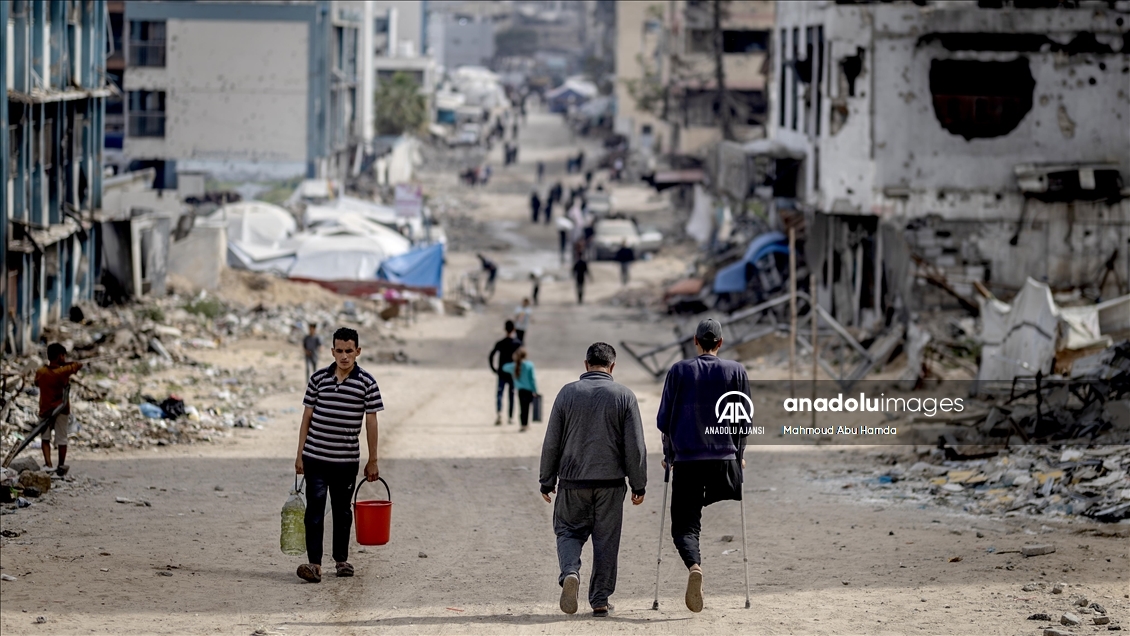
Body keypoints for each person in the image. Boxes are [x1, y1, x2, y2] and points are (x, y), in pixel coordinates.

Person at [539, 342, 647, 617]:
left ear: (586, 365)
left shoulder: (567, 393)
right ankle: (599, 600)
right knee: (606, 541)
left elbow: (552, 441)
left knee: (567, 531)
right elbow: (635, 446)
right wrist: (638, 484)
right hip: (611, 484)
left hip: (572, 482)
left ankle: (570, 572)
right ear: (612, 366)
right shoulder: (624, 396)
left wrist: (546, 480)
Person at [655, 319, 751, 613]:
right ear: (720, 342)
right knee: (696, 513)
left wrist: (668, 454)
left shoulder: (679, 371)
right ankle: (698, 570)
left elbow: (665, 421)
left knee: (684, 525)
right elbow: (743, 420)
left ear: (695, 341)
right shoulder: (737, 371)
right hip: (724, 463)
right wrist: (739, 454)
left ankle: (694, 565)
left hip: (688, 460)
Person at [294, 328, 383, 583]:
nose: (344, 356)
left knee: (342, 511)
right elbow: (307, 417)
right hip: (315, 457)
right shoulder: (318, 379)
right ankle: (314, 564)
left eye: (349, 351)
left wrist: (373, 460)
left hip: (346, 462)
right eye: (340, 351)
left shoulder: (367, 383)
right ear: (332, 351)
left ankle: (341, 560)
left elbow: (371, 422)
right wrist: (300, 455)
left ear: (358, 351)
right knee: (314, 509)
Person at [35, 343, 83, 473]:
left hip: (45, 409)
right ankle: (61, 465)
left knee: (45, 438)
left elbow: (36, 382)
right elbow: (78, 365)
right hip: (61, 409)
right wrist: (67, 363)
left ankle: (48, 464)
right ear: (60, 356)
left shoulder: (41, 372)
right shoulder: (63, 371)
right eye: (63, 355)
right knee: (61, 439)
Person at [488, 321, 522, 425]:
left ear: (505, 329)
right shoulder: (517, 343)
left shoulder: (500, 343)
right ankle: (510, 417)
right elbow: (521, 358)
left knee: (500, 393)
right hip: (513, 373)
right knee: (511, 395)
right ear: (514, 329)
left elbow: (491, 355)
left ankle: (499, 413)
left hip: (501, 372)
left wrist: (494, 369)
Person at [502, 347, 539, 431]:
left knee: (522, 408)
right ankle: (526, 424)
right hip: (529, 390)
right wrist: (535, 390)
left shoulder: (514, 366)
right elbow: (532, 379)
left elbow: (504, 367)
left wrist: (514, 361)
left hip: (521, 390)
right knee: (527, 408)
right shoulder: (529, 365)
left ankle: (523, 425)